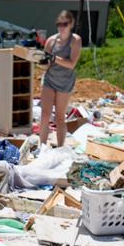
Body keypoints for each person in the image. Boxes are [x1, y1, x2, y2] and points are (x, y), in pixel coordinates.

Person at [36, 10, 82, 148]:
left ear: (71, 24)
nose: (61, 27)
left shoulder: (75, 40)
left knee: (60, 116)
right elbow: (46, 65)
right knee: (45, 115)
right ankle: (42, 147)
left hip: (65, 82)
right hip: (50, 79)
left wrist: (55, 58)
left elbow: (71, 63)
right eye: (59, 24)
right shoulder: (51, 41)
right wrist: (39, 61)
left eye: (65, 24)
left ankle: (61, 147)